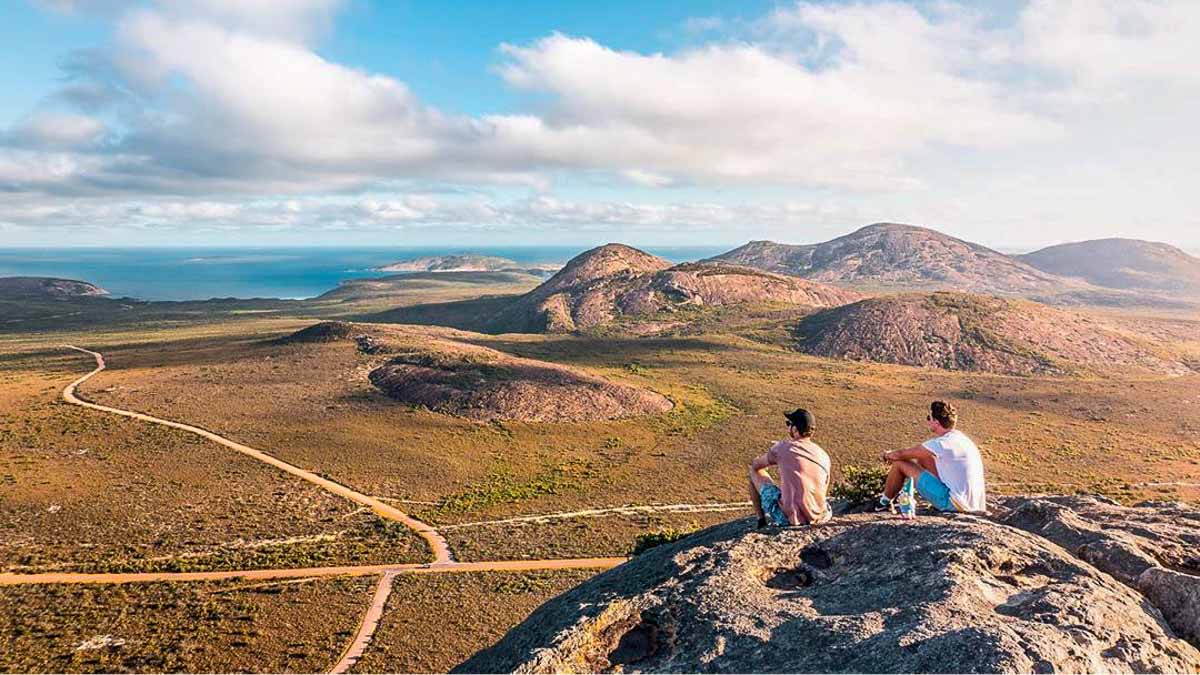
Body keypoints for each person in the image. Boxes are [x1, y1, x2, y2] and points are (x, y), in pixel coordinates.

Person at [876, 400, 986, 514]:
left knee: (900, 464)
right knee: (924, 457)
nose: (928, 421)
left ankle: (883, 503)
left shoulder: (942, 443)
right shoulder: (962, 439)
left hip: (954, 504)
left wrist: (887, 455)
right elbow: (919, 455)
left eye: (929, 418)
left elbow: (901, 455)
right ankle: (907, 491)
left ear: (936, 422)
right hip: (973, 503)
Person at [749, 408, 832, 528]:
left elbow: (756, 465)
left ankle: (761, 521)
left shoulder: (783, 447)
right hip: (821, 516)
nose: (788, 427)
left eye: (789, 424)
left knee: (754, 471)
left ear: (794, 429)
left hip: (789, 519)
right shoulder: (823, 454)